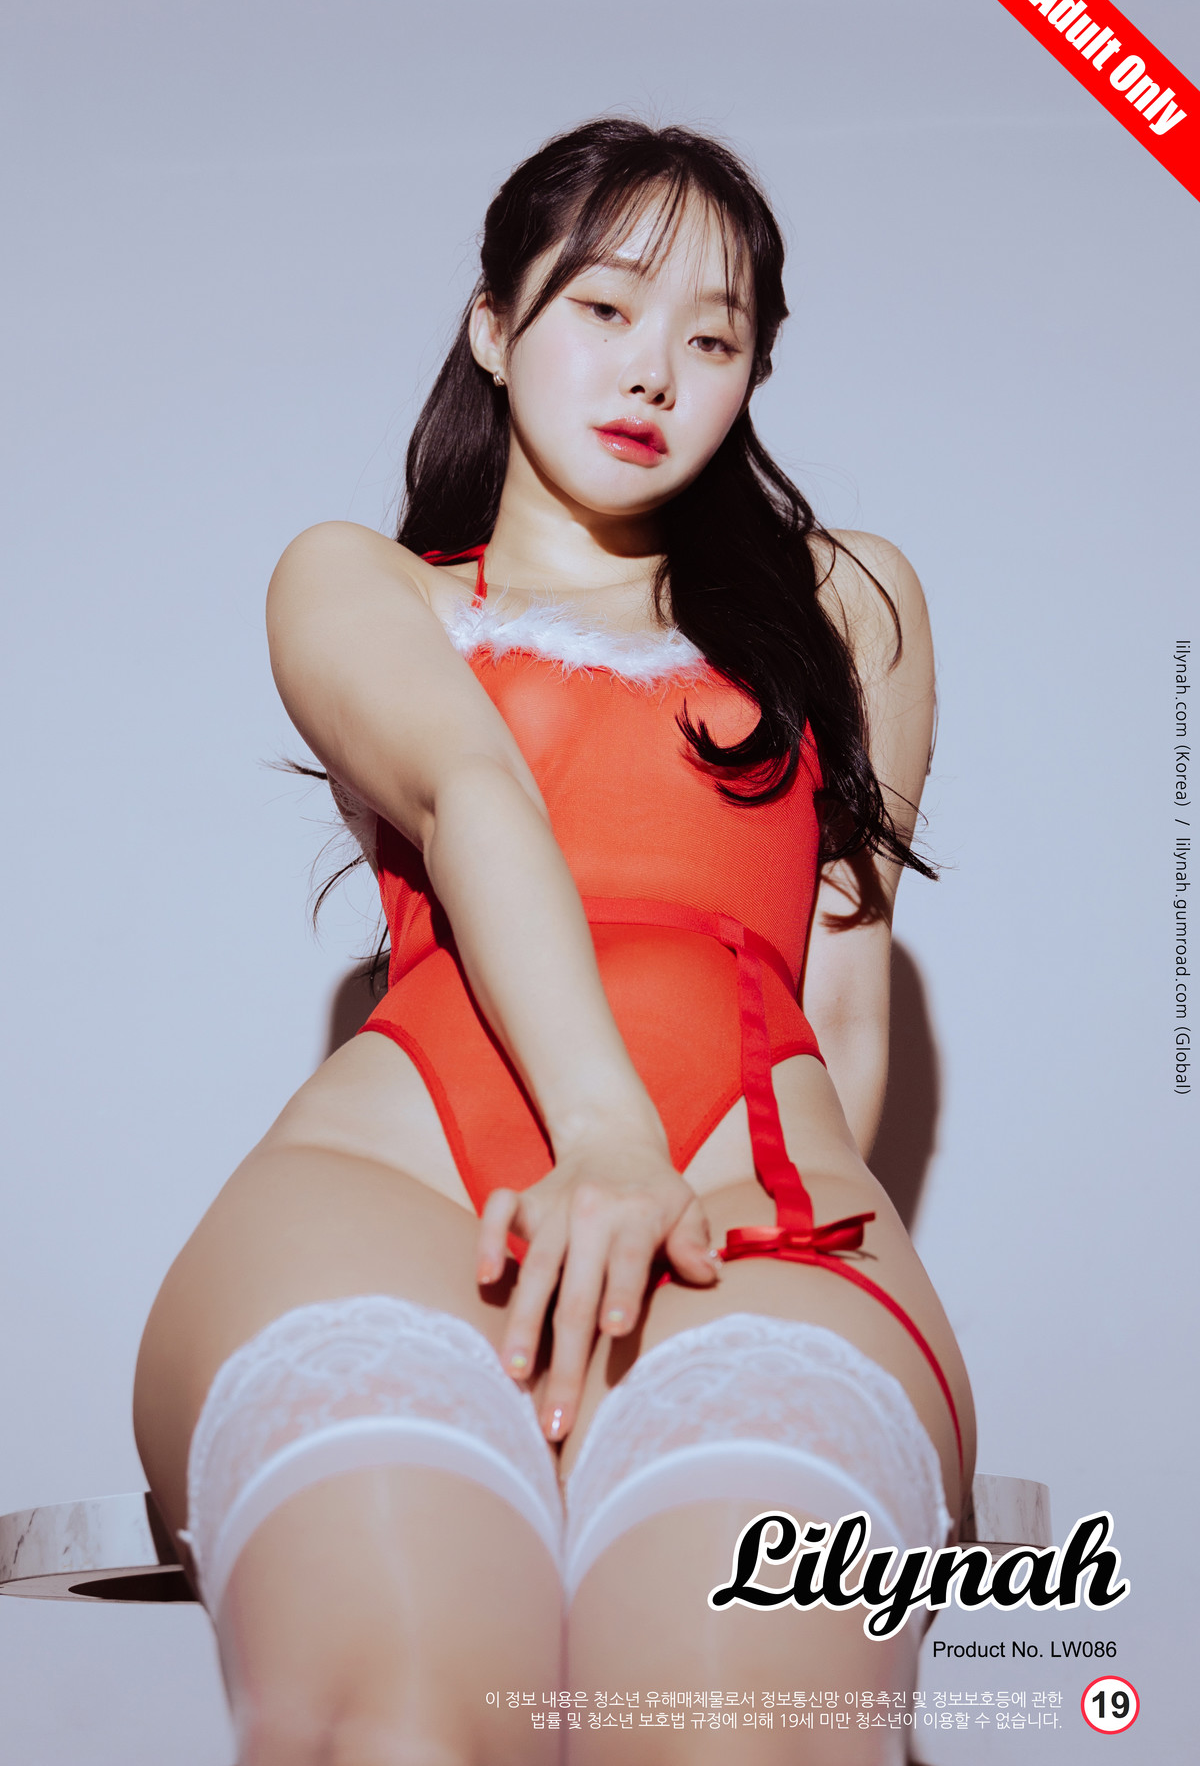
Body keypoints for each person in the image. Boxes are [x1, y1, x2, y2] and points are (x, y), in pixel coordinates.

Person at [133, 118, 975, 1765]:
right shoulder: (367, 585)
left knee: (735, 1737)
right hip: (398, 1192)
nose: (654, 369)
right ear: (494, 324)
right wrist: (604, 1136)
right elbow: (472, 796)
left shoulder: (850, 601)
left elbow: (849, 1008)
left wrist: (724, 1253)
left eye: (713, 340)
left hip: (745, 1217)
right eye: (603, 307)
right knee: (394, 1728)